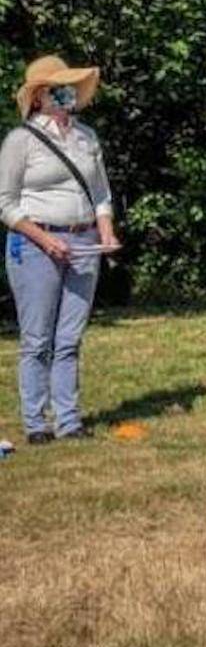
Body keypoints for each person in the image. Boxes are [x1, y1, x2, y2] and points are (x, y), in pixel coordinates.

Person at [0, 55, 121, 444]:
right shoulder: (21, 141)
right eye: (58, 88)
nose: (67, 94)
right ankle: (36, 421)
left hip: (84, 239)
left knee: (70, 336)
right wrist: (44, 238)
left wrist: (105, 232)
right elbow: (5, 203)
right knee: (37, 338)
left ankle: (68, 419)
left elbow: (100, 193)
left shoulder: (86, 137)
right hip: (36, 244)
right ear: (40, 96)